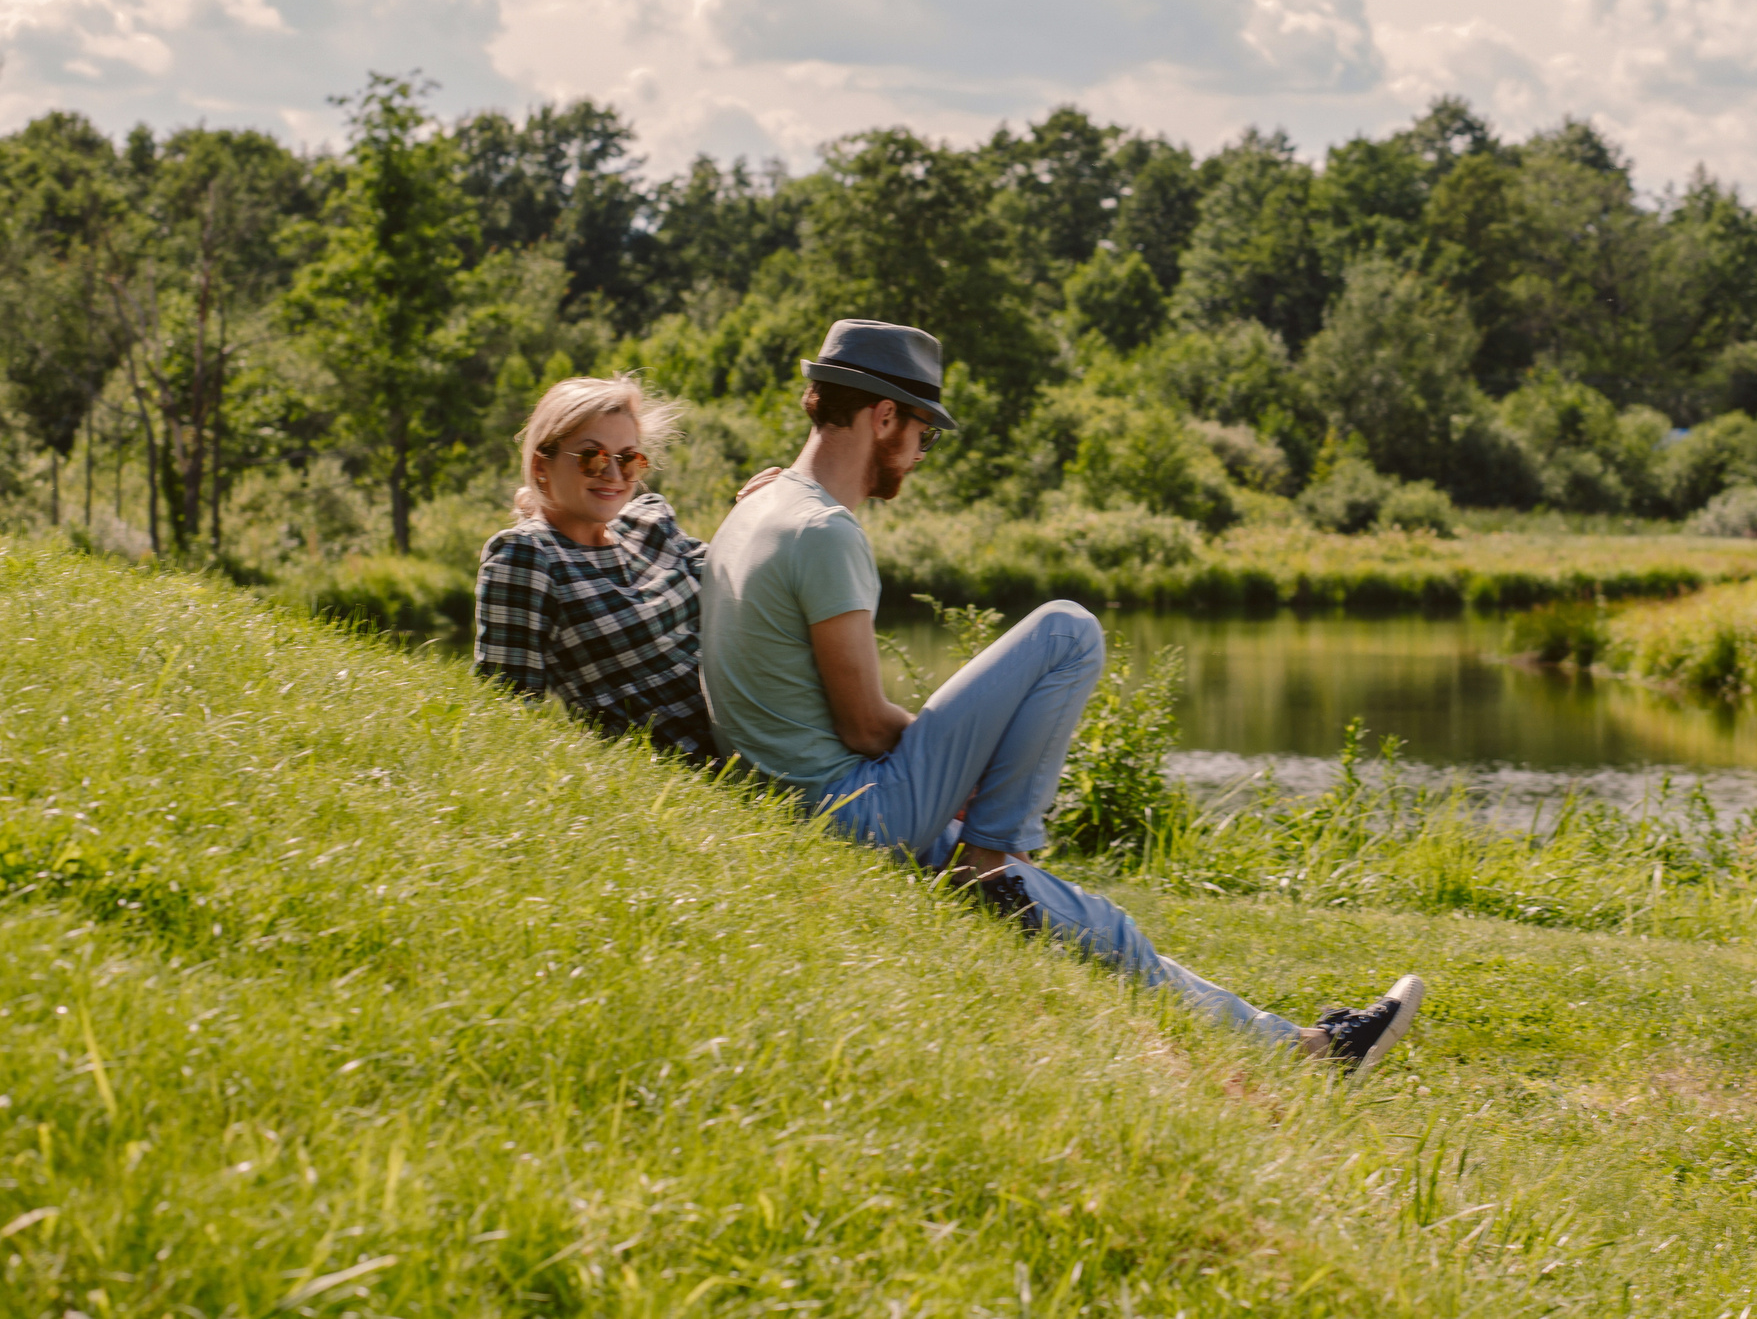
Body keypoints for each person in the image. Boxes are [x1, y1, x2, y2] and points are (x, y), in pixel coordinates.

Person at [700, 318, 1424, 1073]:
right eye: (924, 433)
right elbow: (864, 727)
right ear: (883, 417)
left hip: (786, 798)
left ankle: (1306, 1049)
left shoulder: (756, 505)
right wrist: (967, 778)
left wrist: (955, 771)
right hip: (850, 809)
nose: (920, 454)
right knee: (1067, 630)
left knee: (1098, 925)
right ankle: (990, 863)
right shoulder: (823, 531)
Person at [473, 375, 726, 766]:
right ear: (542, 465)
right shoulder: (528, 555)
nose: (613, 474)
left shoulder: (650, 523)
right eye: (592, 457)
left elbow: (747, 585)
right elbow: (504, 710)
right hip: (695, 771)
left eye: (628, 459)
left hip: (771, 732)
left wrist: (762, 508)